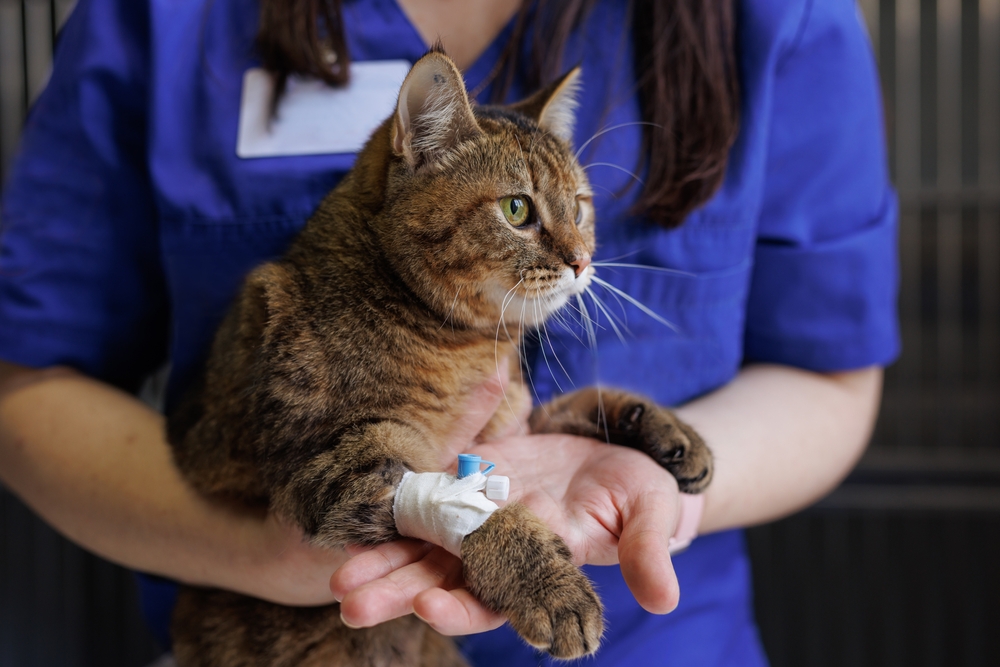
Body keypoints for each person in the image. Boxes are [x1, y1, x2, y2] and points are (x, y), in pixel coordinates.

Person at [0, 0, 897, 664]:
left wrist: (654, 490)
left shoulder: (783, 19)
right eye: (522, 213)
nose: (578, 258)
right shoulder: (165, 20)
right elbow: (25, 380)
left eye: (576, 212)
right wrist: (267, 554)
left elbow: (829, 373)